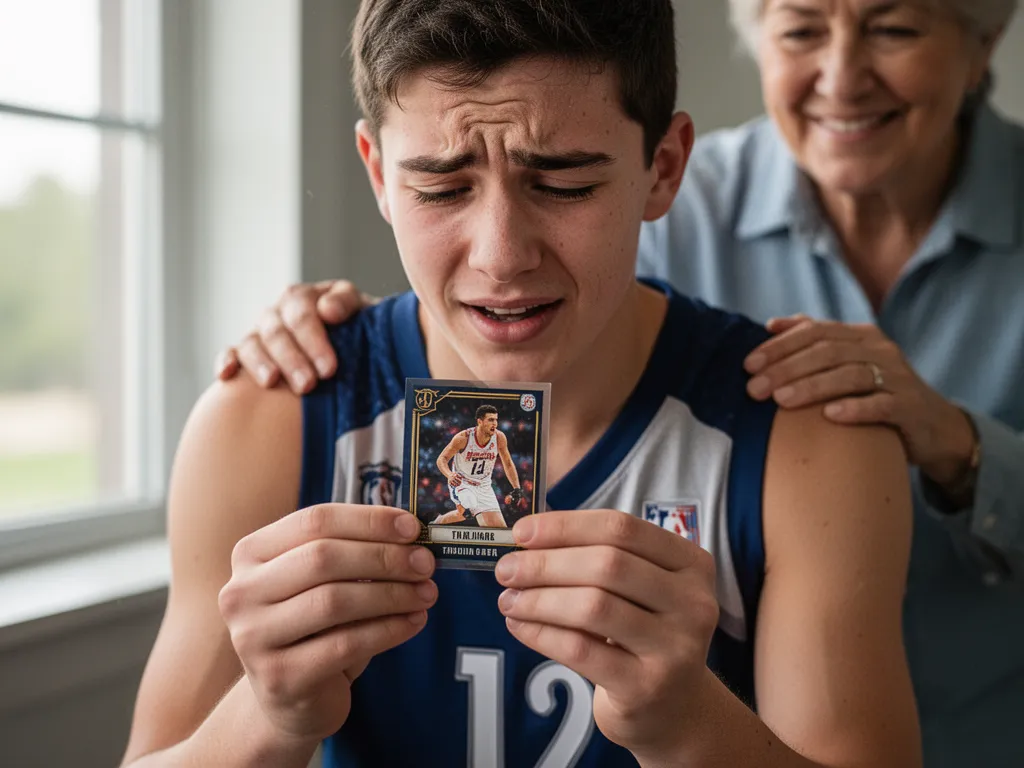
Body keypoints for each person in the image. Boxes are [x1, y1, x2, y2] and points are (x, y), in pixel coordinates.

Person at [121, 1, 921, 766]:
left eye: (564, 183)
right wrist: (268, 717)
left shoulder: (809, 436)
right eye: (440, 187)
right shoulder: (265, 420)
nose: (501, 256)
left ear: (663, 168)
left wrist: (686, 726)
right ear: (378, 174)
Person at [434, 404, 520, 528]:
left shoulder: (499, 437)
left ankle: (438, 520)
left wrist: (517, 488)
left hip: (484, 485)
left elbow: (508, 463)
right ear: (479, 421)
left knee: (500, 530)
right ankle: (439, 522)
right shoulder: (463, 438)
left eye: (496, 420)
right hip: (462, 482)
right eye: (490, 420)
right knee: (469, 507)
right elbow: (441, 459)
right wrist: (450, 475)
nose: (495, 423)